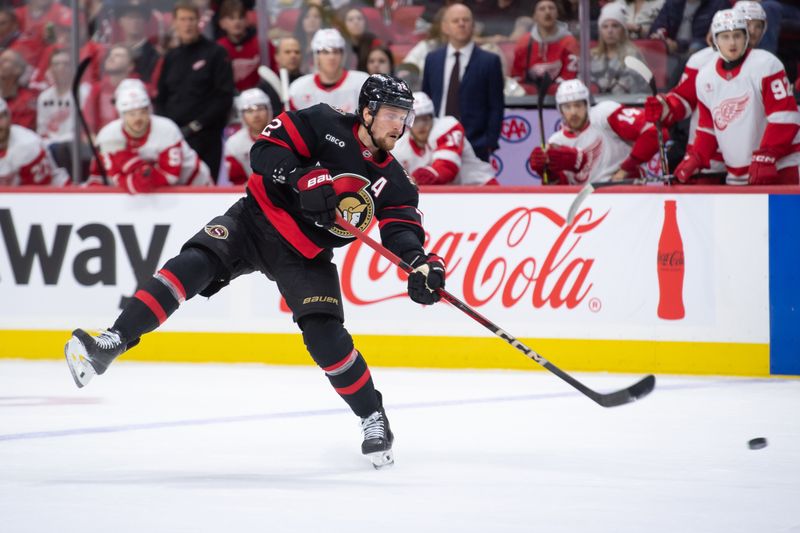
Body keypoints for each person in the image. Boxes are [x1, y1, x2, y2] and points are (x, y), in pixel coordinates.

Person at [64, 73, 447, 470]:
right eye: (391, 114)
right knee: (192, 264)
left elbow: (402, 231)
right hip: (254, 220)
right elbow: (264, 151)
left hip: (305, 255)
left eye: (404, 116)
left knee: (325, 337)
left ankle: (372, 416)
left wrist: (420, 264)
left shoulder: (396, 182)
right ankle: (112, 341)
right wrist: (300, 177)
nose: (399, 125)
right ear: (367, 112)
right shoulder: (322, 121)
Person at [673, 9, 800, 185]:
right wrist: (696, 156)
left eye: (737, 36)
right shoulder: (705, 76)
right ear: (715, 40)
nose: (732, 43)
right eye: (725, 37)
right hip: (736, 174)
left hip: (779, 167)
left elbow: (785, 117)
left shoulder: (767, 64)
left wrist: (768, 154)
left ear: (746, 37)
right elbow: (707, 127)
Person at [644, 1, 769, 179]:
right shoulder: (701, 61)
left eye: (758, 25)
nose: (753, 30)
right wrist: (665, 107)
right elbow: (683, 100)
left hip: (752, 160)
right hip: (707, 160)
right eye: (747, 23)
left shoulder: (769, 63)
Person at [154, 0, 235, 182]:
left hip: (206, 137)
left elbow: (224, 96)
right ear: (174, 23)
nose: (187, 24)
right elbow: (161, 97)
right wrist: (167, 128)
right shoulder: (170, 57)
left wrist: (196, 125)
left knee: (205, 188)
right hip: (174, 139)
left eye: (191, 19)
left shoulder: (216, 53)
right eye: (182, 19)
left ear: (199, 21)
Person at [528, 79, 666, 184]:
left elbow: (656, 131)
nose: (574, 112)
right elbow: (561, 192)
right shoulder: (556, 142)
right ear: (560, 110)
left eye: (578, 105)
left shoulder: (604, 115)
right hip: (589, 208)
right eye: (567, 107)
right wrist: (548, 173)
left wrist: (625, 170)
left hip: (626, 194)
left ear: (587, 104)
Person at [90, 79, 213, 192]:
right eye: (131, 114)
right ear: (122, 114)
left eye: (142, 112)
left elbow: (170, 176)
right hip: (149, 197)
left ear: (149, 110)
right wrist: (140, 176)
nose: (138, 119)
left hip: (195, 187)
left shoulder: (166, 129)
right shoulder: (107, 136)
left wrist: (137, 175)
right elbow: (99, 177)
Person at [421, 3, 505, 162]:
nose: (461, 24)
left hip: (475, 144)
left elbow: (496, 106)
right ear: (445, 27)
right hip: (436, 141)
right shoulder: (432, 59)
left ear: (473, 25)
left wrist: (489, 142)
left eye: (466, 20)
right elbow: (427, 99)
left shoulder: (490, 61)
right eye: (456, 20)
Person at [392, 91, 497, 186]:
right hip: (447, 198)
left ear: (432, 117)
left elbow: (447, 168)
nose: (421, 125)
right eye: (415, 121)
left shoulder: (448, 127)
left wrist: (417, 178)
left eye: (425, 119)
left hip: (482, 189)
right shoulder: (399, 148)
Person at [288, 28, 368, 113]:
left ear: (343, 55)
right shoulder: (298, 88)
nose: (331, 57)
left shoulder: (361, 82)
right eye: (325, 52)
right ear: (316, 55)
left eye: (336, 51)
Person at [510, 0, 579, 94]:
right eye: (542, 9)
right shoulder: (524, 41)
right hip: (529, 98)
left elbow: (570, 76)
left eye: (551, 8)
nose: (547, 12)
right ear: (534, 16)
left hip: (561, 95)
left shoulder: (569, 41)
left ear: (557, 14)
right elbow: (517, 75)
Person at [0, 97, 68, 186]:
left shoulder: (27, 145)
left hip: (57, 195)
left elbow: (36, 195)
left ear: (9, 117)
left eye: (0, 117)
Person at [590, 3, 649, 95]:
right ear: (600, 31)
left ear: (623, 30)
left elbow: (639, 90)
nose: (610, 31)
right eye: (605, 26)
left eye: (615, 26)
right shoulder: (592, 56)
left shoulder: (633, 56)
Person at [84, 44, 136, 135]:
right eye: (110, 55)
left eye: (118, 55)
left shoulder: (137, 89)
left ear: (130, 66)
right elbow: (87, 128)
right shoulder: (97, 89)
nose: (111, 58)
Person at [224, 88, 271, 185]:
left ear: (269, 110)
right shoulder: (234, 144)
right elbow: (235, 180)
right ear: (242, 115)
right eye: (249, 111)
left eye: (260, 108)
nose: (256, 115)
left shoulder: (284, 135)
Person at [217, 0, 261, 92]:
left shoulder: (260, 44)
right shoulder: (218, 48)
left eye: (240, 17)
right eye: (231, 18)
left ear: (246, 20)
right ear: (222, 23)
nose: (237, 22)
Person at [342, 7, 381, 72]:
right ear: (344, 24)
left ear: (365, 22)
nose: (356, 22)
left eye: (359, 18)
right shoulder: (341, 45)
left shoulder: (374, 42)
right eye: (350, 19)